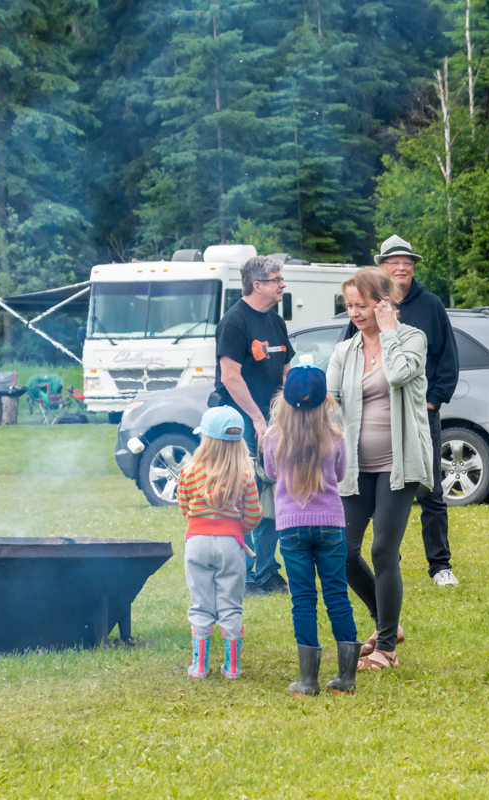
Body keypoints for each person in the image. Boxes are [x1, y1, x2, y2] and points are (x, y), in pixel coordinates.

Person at [326, 267, 433, 671]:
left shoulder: (412, 339)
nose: (354, 313)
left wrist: (388, 332)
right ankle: (388, 623)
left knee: (383, 550)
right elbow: (329, 400)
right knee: (342, 551)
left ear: (383, 303)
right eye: (349, 305)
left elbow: (400, 373)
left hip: (398, 464)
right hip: (355, 467)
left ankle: (386, 648)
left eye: (361, 305)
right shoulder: (345, 351)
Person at [364, 235, 460, 588]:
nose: (402, 267)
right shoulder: (371, 305)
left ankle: (440, 565)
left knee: (430, 491)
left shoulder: (431, 305)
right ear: (382, 268)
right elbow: (352, 349)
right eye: (395, 262)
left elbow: (447, 358)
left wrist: (434, 400)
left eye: (408, 262)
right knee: (381, 492)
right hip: (380, 416)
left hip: (420, 415)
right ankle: (388, 561)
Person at [263, 364, 361, 696]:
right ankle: (346, 677)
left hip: (291, 527)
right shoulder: (335, 436)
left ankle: (307, 680)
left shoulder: (273, 437)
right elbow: (341, 473)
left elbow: (271, 473)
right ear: (325, 401)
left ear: (284, 401)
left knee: (303, 599)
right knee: (337, 594)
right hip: (330, 525)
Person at [213, 256, 295, 596]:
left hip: (274, 420)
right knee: (243, 495)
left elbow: (287, 368)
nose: (282, 284)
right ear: (257, 285)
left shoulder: (275, 321)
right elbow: (230, 377)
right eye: (277, 279)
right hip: (241, 421)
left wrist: (287, 413)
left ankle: (267, 570)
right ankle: (244, 574)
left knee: (271, 493)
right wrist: (258, 421)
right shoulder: (234, 323)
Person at [177, 406, 262, 680]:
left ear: (205, 439)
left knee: (201, 603)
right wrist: (237, 528)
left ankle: (199, 667)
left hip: (197, 543)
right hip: (230, 545)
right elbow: (253, 516)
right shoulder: (244, 474)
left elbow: (185, 508)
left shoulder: (188, 471)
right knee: (230, 604)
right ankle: (232, 668)